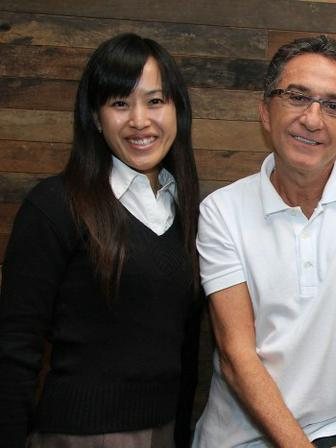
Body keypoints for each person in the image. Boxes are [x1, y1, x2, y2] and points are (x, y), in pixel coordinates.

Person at [192, 35, 336, 448]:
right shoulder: (221, 211)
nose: (313, 119)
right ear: (265, 110)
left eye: (333, 106)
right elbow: (237, 354)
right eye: (297, 97)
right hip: (240, 436)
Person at [0, 33, 201, 448]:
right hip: (78, 435)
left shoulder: (187, 211)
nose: (140, 121)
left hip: (163, 431)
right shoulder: (55, 205)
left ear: (178, 110)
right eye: (120, 103)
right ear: (95, 116)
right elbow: (15, 348)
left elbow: (184, 347)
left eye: (155, 101)